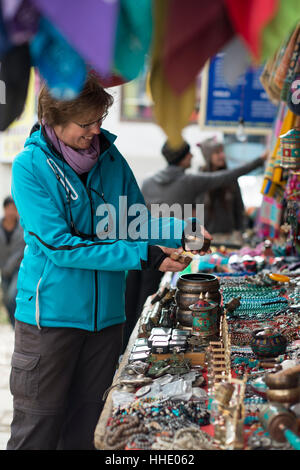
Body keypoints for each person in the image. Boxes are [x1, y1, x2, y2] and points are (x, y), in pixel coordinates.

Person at [6, 73, 208, 450]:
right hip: (50, 321)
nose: (96, 131)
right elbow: (62, 247)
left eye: (100, 120)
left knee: (89, 430)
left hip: (107, 323)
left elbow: (134, 221)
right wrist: (144, 256)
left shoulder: (110, 158)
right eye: (86, 123)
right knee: (37, 431)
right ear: (55, 120)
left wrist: (183, 230)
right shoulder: (29, 167)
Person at [124, 138, 267, 350]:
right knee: (154, 300)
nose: (192, 156)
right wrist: (260, 160)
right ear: (182, 158)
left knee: (141, 302)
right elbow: (226, 176)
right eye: (188, 153)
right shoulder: (189, 181)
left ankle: (132, 345)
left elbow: (139, 220)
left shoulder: (148, 181)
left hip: (143, 249)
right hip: (169, 251)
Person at [197, 137, 265, 245]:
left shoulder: (230, 179)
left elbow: (239, 207)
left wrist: (240, 231)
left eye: (222, 151)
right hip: (204, 238)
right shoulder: (199, 180)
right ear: (208, 156)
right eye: (217, 152)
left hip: (229, 237)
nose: (222, 155)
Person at [0, 196, 25, 328]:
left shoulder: (22, 228)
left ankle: (17, 325)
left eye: (13, 209)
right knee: (5, 299)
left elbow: (21, 250)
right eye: (8, 208)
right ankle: (12, 324)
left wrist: (10, 265)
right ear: (4, 209)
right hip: (3, 269)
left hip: (17, 268)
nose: (11, 211)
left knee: (12, 296)